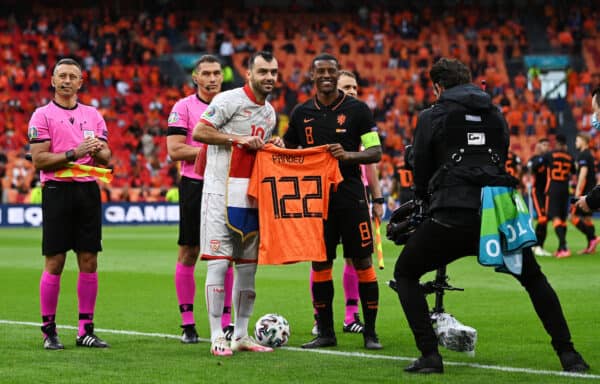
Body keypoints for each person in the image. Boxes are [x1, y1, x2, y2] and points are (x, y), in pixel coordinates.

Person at [393, 58, 589, 373]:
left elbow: (422, 169)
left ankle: (430, 355)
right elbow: (501, 155)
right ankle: (569, 355)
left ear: (438, 87)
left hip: (451, 214)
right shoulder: (496, 113)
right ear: (470, 81)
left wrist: (424, 198)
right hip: (497, 211)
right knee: (533, 277)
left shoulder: (432, 115)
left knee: (405, 274)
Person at [284, 53, 383, 350]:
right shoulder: (301, 113)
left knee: (363, 262)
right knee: (320, 263)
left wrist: (349, 155)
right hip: (317, 201)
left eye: (331, 71)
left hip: (351, 197)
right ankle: (326, 332)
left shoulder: (358, 110)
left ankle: (370, 333)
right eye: (320, 72)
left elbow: (375, 152)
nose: (326, 75)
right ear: (312, 77)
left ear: (338, 73)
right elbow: (286, 151)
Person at [192, 51, 281, 356]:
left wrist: (272, 146)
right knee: (218, 264)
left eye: (273, 72)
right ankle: (217, 335)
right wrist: (237, 139)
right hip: (219, 191)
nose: (269, 77)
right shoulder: (228, 100)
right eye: (263, 71)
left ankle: (241, 335)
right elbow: (200, 131)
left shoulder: (270, 113)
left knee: (247, 269)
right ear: (249, 74)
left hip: (250, 197)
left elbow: (257, 152)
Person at [28, 58, 111, 350]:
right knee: (55, 260)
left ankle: (85, 329)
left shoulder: (93, 115)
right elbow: (39, 159)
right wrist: (75, 153)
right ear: (52, 81)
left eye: (72, 76)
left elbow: (107, 157)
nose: (66, 81)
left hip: (88, 191)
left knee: (89, 259)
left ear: (80, 81)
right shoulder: (42, 115)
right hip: (57, 190)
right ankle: (49, 330)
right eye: (61, 76)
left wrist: (98, 151)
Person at [307, 70, 384, 336]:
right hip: (324, 196)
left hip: (355, 195)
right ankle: (321, 318)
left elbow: (371, 165)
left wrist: (377, 198)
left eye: (354, 86)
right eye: (346, 87)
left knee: (357, 259)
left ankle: (352, 315)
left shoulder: (360, 118)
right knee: (321, 259)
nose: (351, 91)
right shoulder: (319, 119)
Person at [166, 55, 235, 344]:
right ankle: (188, 323)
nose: (212, 78)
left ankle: (228, 322)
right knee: (189, 252)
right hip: (196, 184)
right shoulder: (183, 107)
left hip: (230, 185)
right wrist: (215, 149)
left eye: (216, 73)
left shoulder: (233, 105)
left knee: (228, 255)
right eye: (205, 73)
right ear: (195, 77)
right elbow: (175, 150)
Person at [545, 134, 575, 258]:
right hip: (565, 188)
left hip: (554, 187)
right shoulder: (570, 157)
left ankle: (563, 246)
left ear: (557, 142)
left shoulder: (551, 155)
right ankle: (561, 247)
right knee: (562, 218)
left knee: (555, 217)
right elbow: (573, 171)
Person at [571, 133, 600, 254]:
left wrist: (577, 192)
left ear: (584, 141)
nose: (575, 142)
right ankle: (591, 246)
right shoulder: (590, 155)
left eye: (577, 140)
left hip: (585, 191)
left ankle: (593, 238)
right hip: (591, 189)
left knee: (572, 217)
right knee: (588, 218)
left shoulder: (583, 155)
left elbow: (583, 174)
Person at [526, 138, 552, 256]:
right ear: (538, 146)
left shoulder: (549, 159)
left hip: (547, 193)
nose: (546, 147)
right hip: (537, 192)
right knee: (542, 218)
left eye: (547, 145)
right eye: (544, 144)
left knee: (545, 219)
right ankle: (536, 245)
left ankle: (539, 246)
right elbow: (529, 168)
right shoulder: (535, 159)